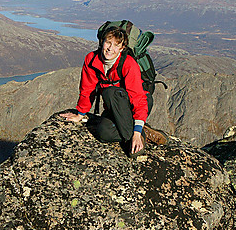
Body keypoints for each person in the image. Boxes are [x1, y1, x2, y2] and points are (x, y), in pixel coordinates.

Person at [60, 26, 166, 155]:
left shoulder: (128, 63)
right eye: (108, 42)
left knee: (110, 92)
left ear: (122, 48)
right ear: (102, 42)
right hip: (115, 108)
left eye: (116, 45)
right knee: (103, 133)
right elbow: (87, 89)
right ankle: (144, 131)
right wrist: (80, 114)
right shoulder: (91, 59)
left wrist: (136, 134)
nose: (110, 48)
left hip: (138, 103)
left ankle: (136, 138)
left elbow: (138, 98)